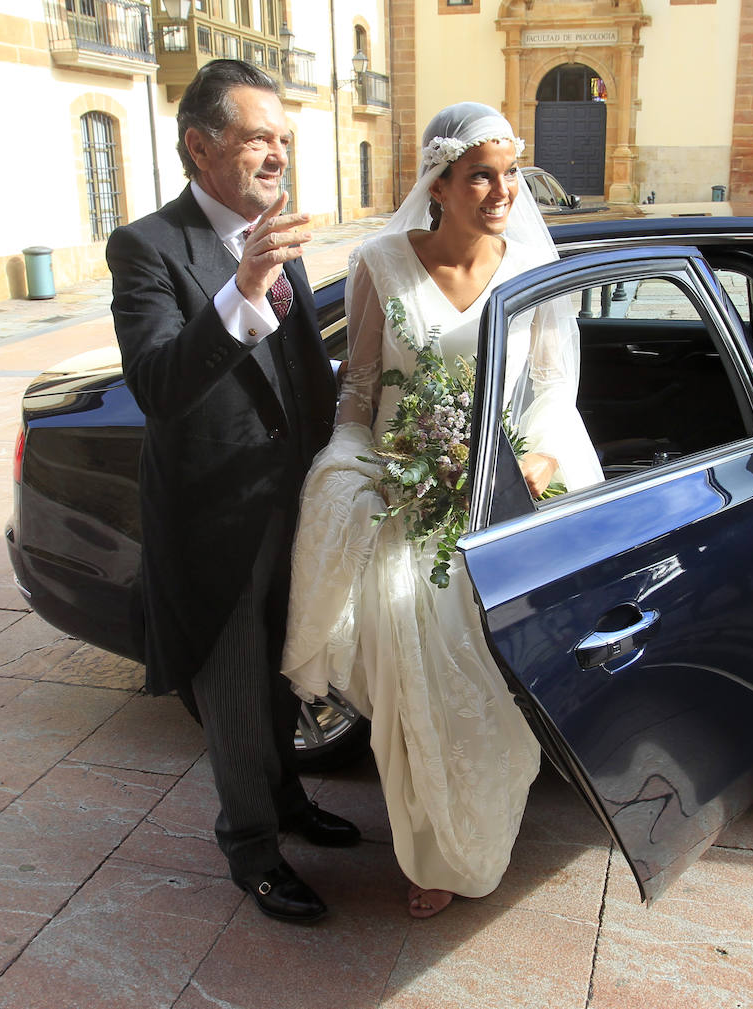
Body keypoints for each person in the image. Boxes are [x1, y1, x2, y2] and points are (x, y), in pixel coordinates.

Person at [281, 102, 604, 918]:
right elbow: (358, 390)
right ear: (441, 182)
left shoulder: (531, 265)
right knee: (409, 687)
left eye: (509, 174)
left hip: (494, 508)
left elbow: (550, 395)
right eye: (481, 175)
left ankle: (480, 836)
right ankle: (429, 852)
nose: (501, 190)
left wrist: (531, 460)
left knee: (489, 692)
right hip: (400, 503)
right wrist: (353, 471)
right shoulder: (380, 263)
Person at [106, 59, 359, 925]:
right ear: (200, 146)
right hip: (215, 523)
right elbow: (161, 383)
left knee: (286, 676)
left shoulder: (273, 231)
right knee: (238, 695)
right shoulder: (147, 247)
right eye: (260, 139)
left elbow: (295, 373)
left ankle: (289, 803)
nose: (278, 155)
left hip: (292, 504)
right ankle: (251, 849)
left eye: (283, 140)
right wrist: (244, 286)